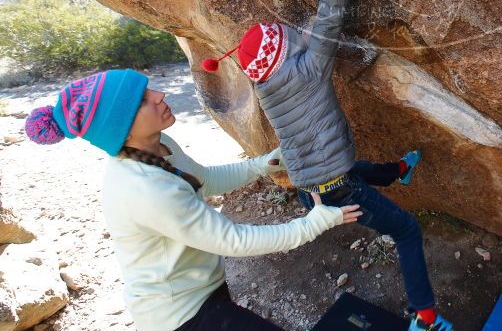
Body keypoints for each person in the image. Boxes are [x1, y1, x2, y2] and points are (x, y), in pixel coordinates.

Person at [202, 0, 453, 330]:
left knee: (350, 168)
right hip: (336, 191)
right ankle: (425, 318)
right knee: (407, 232)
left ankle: (399, 171)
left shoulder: (266, 85)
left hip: (309, 188)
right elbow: (329, 15)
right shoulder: (309, 68)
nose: (295, 33)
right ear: (283, 54)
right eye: (287, 36)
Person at [24, 69, 362, 331]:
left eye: (149, 88)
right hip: (179, 316)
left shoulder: (158, 146)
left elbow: (205, 179)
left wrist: (260, 165)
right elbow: (233, 240)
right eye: (142, 99)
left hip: (200, 292)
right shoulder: (144, 189)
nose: (159, 94)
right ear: (122, 130)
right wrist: (314, 223)